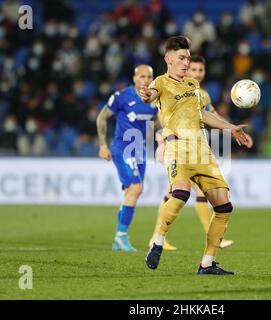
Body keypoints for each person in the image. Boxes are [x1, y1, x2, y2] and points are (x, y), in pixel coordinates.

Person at [139, 36, 252, 275]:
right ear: (168, 59)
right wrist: (145, 94)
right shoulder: (161, 82)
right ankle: (157, 241)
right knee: (180, 193)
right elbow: (149, 94)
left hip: (203, 151)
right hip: (178, 147)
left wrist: (231, 128)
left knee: (224, 207)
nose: (185, 62)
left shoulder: (193, 85)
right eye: (181, 58)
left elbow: (203, 115)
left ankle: (207, 263)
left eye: (188, 58)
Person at [148, 54, 239, 251]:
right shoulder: (170, 88)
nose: (197, 73)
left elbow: (210, 115)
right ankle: (158, 237)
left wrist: (230, 126)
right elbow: (160, 116)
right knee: (181, 192)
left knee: (177, 193)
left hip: (196, 148)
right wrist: (160, 139)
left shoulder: (201, 93)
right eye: (193, 69)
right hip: (173, 145)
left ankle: (157, 237)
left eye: (201, 70)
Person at [97, 64, 157, 252]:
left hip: (140, 150)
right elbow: (102, 117)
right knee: (136, 188)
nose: (145, 80)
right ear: (134, 78)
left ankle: (119, 240)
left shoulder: (154, 100)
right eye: (142, 76)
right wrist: (103, 145)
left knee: (130, 193)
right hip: (123, 148)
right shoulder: (121, 96)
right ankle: (121, 235)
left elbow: (158, 122)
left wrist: (162, 135)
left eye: (149, 77)